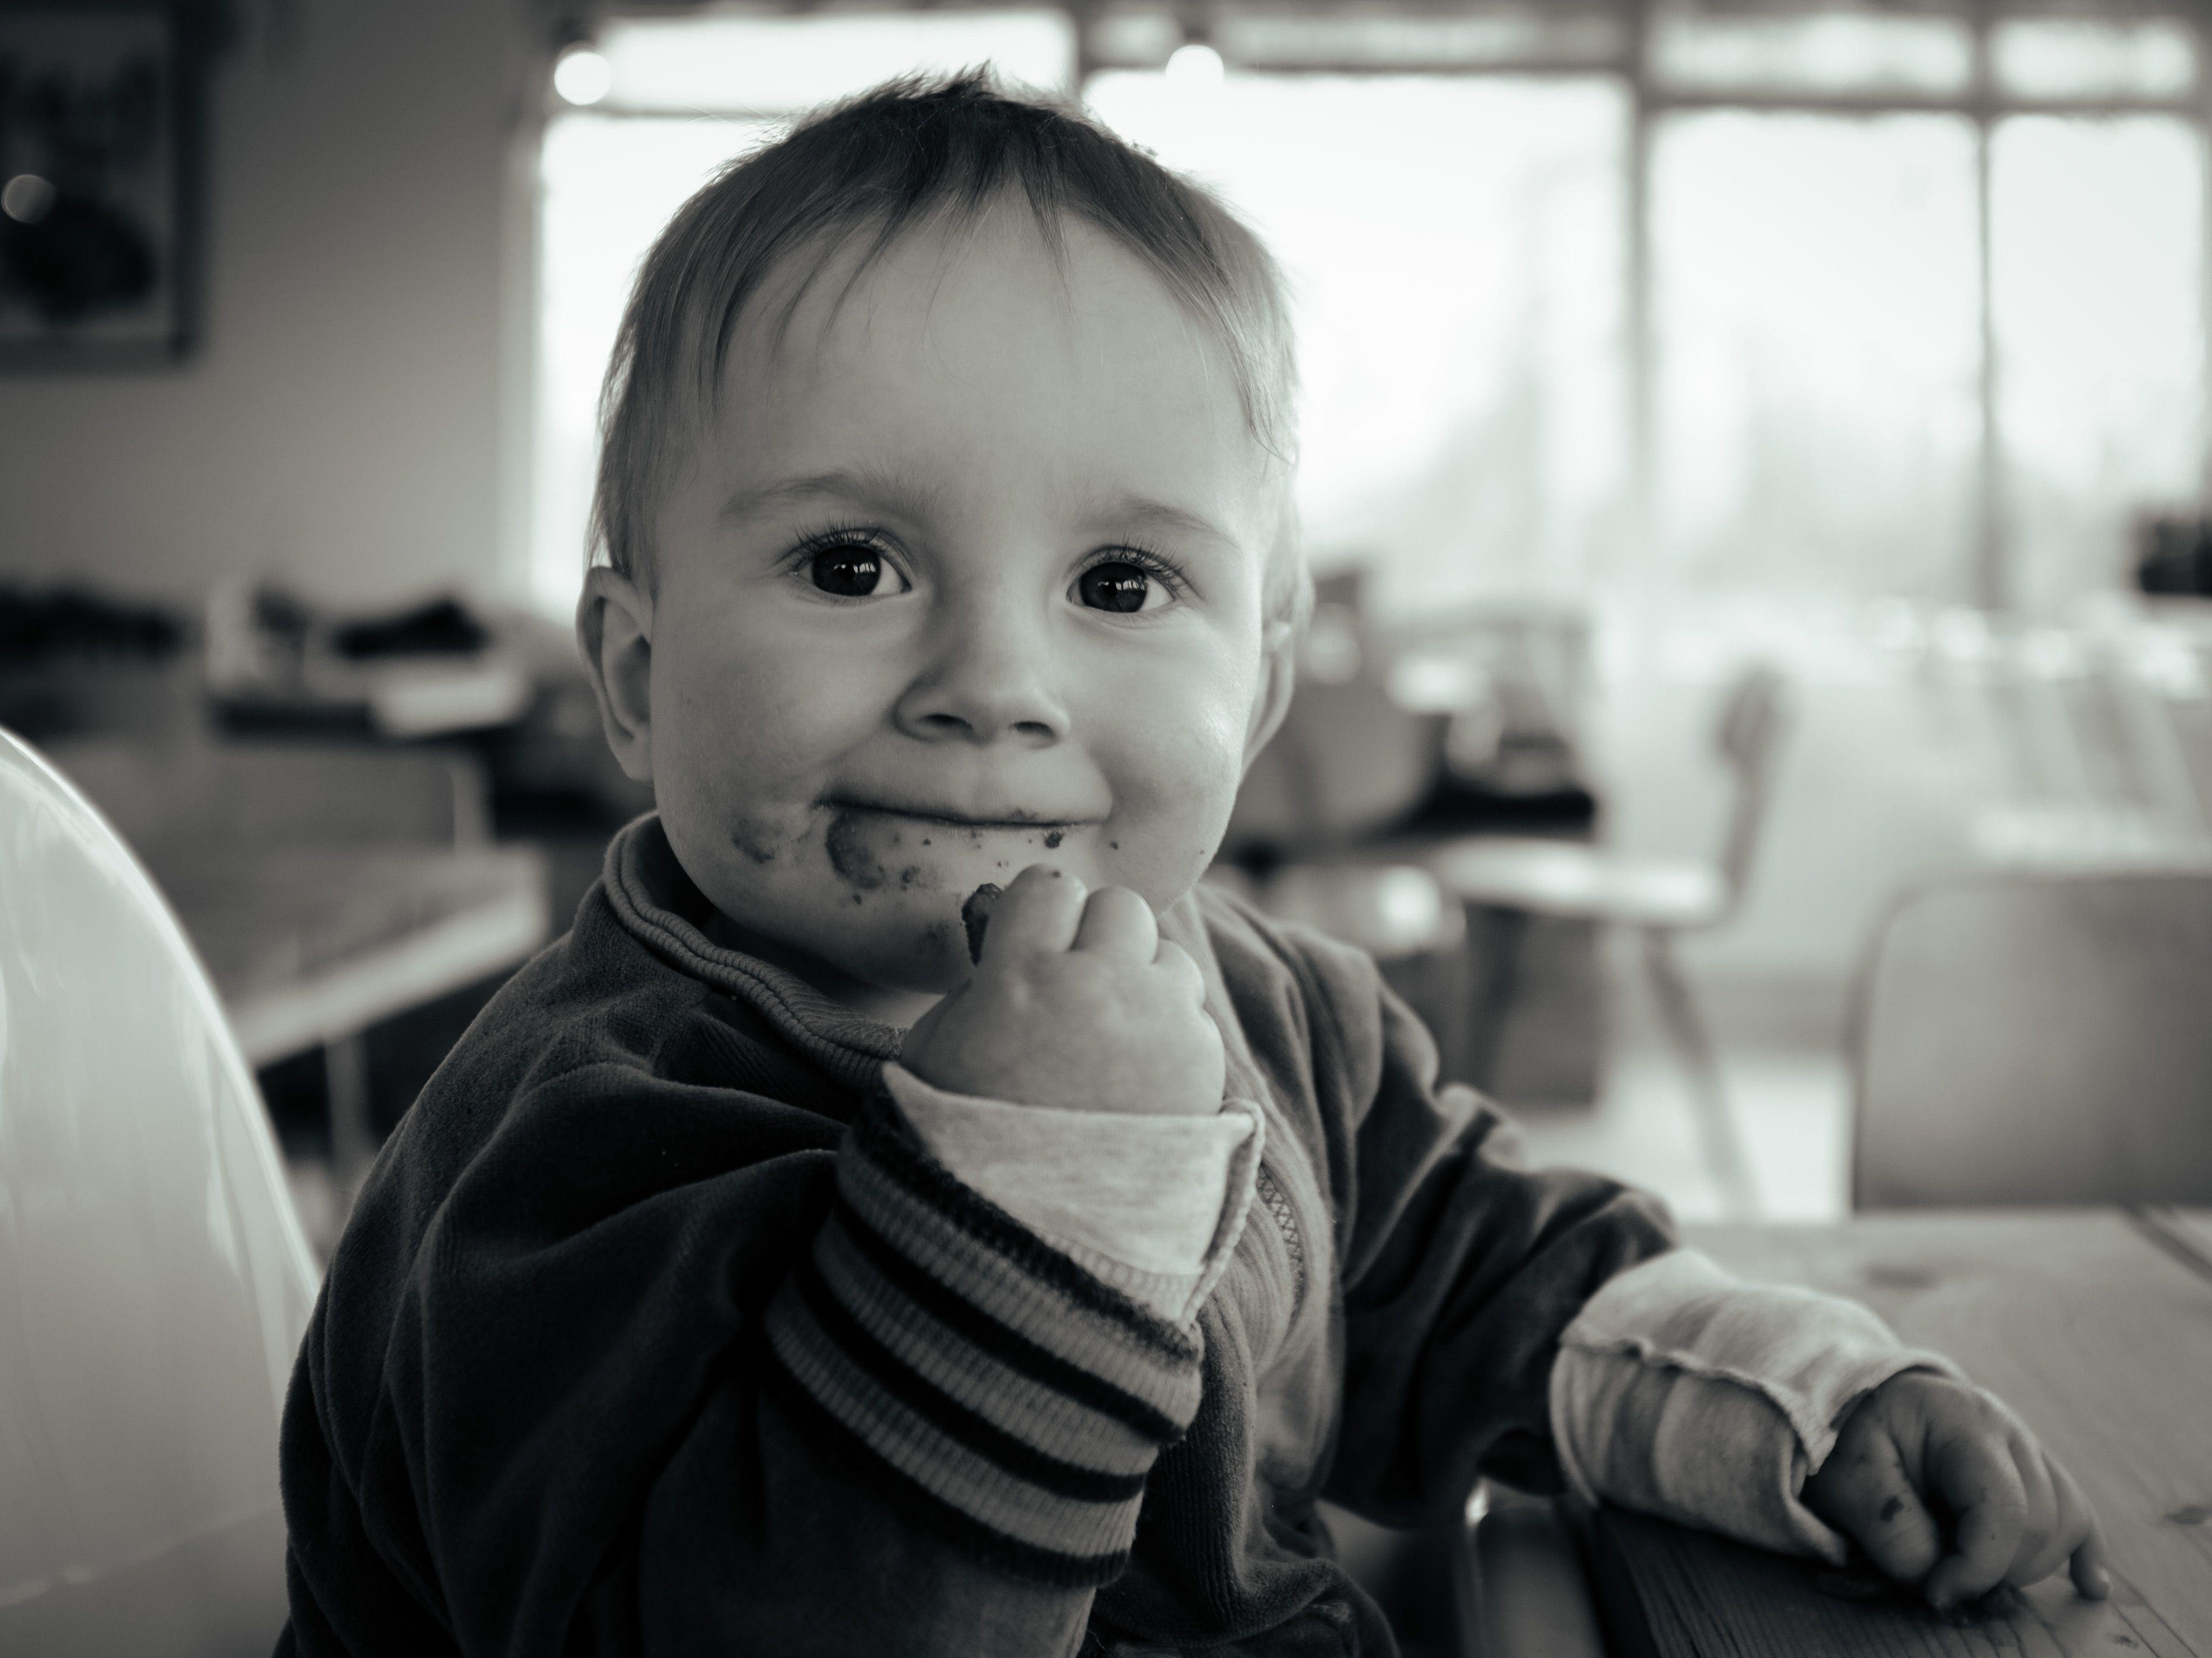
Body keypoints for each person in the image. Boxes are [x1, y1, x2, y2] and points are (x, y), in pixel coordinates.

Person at [276, 73, 2108, 1656]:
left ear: (1262, 687)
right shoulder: (567, 1146)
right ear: (636, 672)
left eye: (1122, 586)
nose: (996, 689)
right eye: (852, 565)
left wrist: (1803, 1399)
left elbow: (1474, 1280)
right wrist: (1029, 1200)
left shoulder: (1278, 1008)